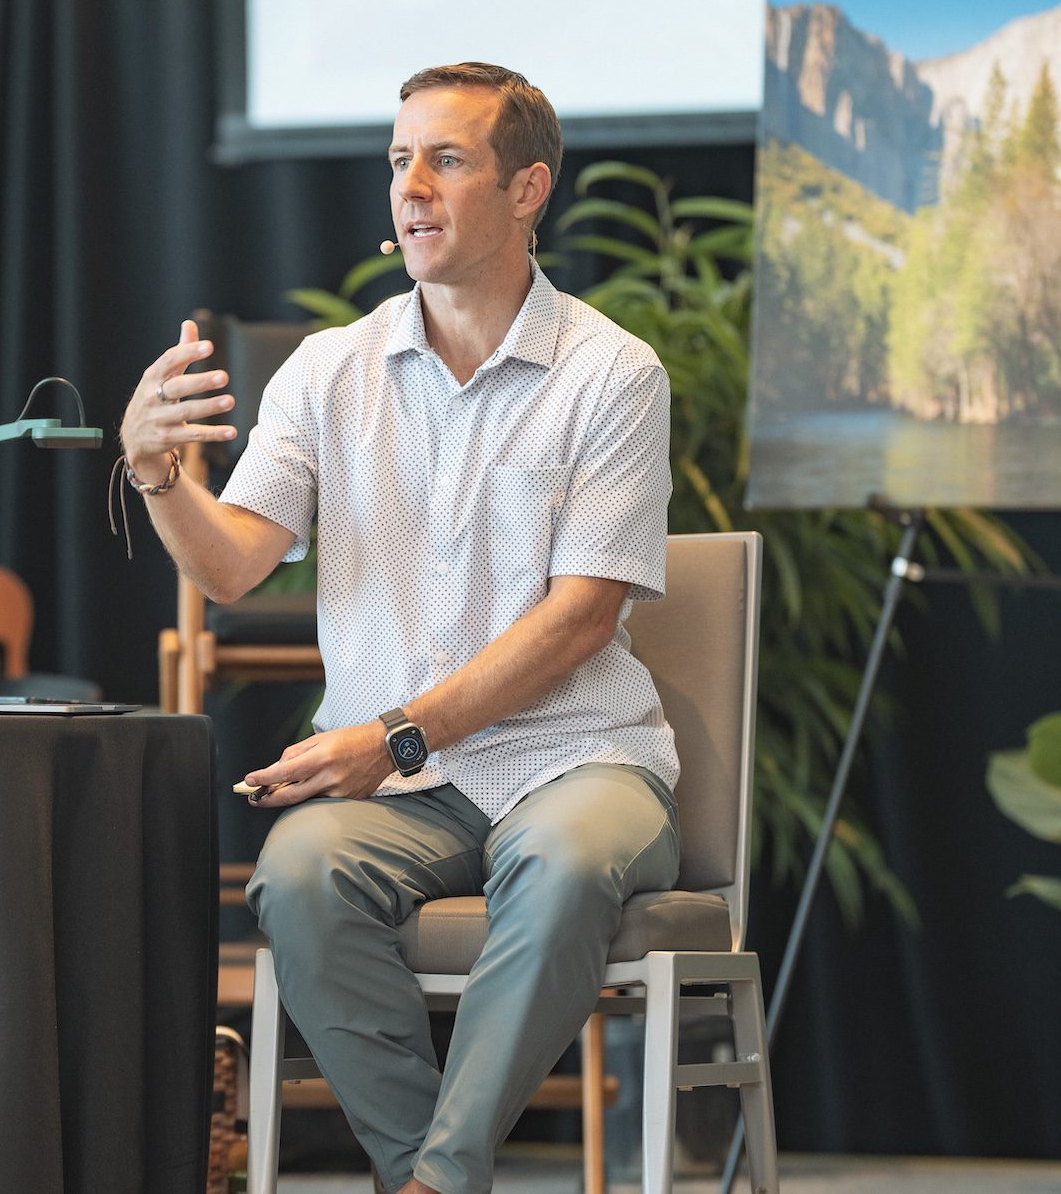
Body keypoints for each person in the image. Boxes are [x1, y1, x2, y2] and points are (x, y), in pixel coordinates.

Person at [118, 63, 679, 1194]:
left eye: (444, 159)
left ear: (527, 189)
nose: (408, 188)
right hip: (410, 798)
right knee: (300, 877)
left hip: (579, 760)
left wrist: (393, 736)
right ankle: (434, 1177)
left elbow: (579, 620)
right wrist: (155, 473)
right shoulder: (330, 371)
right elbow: (231, 564)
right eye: (395, 161)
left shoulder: (611, 374)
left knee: (566, 867)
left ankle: (429, 1180)